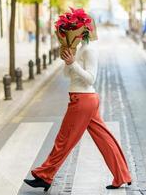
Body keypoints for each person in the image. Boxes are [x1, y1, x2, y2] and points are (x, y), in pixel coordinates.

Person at [23, 15, 132, 192]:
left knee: (63, 139)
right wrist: (69, 61)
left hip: (83, 100)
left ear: (84, 31)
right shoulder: (80, 48)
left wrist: (73, 64)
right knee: (104, 139)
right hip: (83, 99)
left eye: (75, 28)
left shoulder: (89, 50)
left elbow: (91, 78)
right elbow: (68, 75)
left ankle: (45, 176)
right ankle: (122, 176)